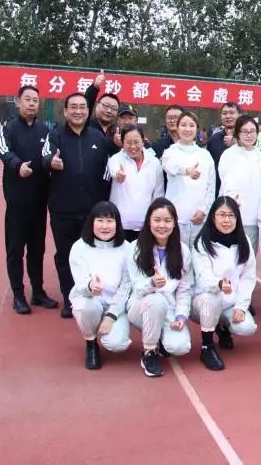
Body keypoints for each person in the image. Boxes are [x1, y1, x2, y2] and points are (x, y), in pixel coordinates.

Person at [44, 92, 112, 316]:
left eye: (82, 107)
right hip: (62, 208)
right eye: (73, 107)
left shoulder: (98, 138)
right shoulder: (55, 135)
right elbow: (46, 156)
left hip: (91, 211)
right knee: (65, 255)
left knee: (91, 255)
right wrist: (51, 162)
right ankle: (69, 298)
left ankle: (92, 295)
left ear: (88, 111)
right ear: (65, 111)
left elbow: (106, 172)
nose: (78, 111)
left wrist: (102, 205)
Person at [0, 85, 57, 314]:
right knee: (15, 250)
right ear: (18, 101)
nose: (32, 103)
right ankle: (18, 294)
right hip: (17, 202)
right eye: (28, 99)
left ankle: (38, 292)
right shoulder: (9, 128)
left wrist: (52, 162)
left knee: (37, 249)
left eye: (35, 100)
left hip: (39, 202)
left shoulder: (45, 130)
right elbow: (3, 150)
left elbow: (48, 154)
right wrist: (17, 165)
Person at [126, 199, 194, 377]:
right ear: (149, 221)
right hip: (140, 306)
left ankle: (161, 337)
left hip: (169, 309)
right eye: (157, 220)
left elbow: (185, 288)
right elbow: (136, 287)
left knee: (180, 347)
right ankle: (149, 351)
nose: (162, 225)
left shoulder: (183, 251)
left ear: (174, 223)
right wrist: (152, 284)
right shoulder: (136, 248)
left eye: (167, 220)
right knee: (155, 300)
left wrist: (181, 316)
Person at [190, 196, 258, 371]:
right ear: (213, 217)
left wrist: (241, 306)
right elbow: (204, 277)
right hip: (203, 301)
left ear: (237, 218)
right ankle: (207, 347)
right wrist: (219, 284)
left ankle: (221, 326)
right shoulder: (202, 243)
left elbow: (248, 277)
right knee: (210, 299)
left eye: (231, 215)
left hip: (230, 302)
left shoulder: (244, 242)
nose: (227, 220)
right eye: (222, 215)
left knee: (247, 328)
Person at [68, 201, 132, 369]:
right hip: (91, 299)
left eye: (110, 221)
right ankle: (91, 342)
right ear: (92, 222)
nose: (105, 226)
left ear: (117, 224)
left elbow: (126, 286)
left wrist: (111, 315)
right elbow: (80, 281)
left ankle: (109, 326)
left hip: (115, 303)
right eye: (100, 220)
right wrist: (90, 286)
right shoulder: (79, 247)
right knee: (86, 306)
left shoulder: (126, 249)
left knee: (117, 344)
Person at [160, 111, 216, 249]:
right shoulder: (170, 152)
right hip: (176, 218)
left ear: (197, 129)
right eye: (183, 125)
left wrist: (204, 210)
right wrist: (186, 171)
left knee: (199, 255)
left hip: (199, 218)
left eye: (191, 125)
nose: (187, 129)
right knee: (177, 255)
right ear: (177, 128)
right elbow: (170, 167)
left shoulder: (205, 155)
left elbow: (211, 186)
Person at [106, 125, 164, 242]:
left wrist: (157, 220)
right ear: (122, 143)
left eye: (136, 142)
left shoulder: (154, 163)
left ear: (143, 141)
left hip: (146, 226)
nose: (133, 146)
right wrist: (118, 174)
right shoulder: (116, 159)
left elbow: (158, 194)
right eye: (128, 142)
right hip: (119, 225)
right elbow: (113, 169)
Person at [217, 116, 261, 253]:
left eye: (252, 131)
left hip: (253, 218)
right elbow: (228, 181)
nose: (249, 135)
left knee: (248, 256)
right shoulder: (229, 155)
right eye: (245, 131)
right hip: (230, 215)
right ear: (237, 133)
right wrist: (233, 201)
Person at [205, 101, 240, 188]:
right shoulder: (213, 140)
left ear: (239, 115)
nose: (228, 116)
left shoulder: (246, 139)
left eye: (232, 113)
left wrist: (237, 144)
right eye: (224, 113)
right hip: (218, 189)